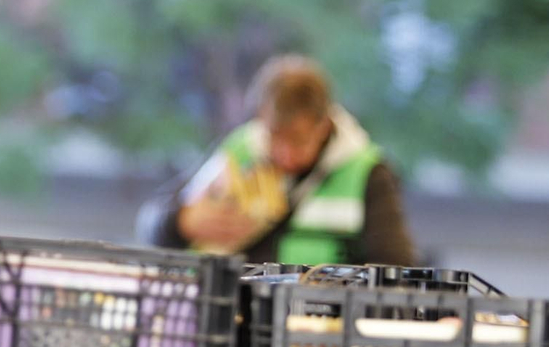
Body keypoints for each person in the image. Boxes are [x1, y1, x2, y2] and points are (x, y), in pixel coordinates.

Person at [143, 55, 416, 265]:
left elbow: (395, 265)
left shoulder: (366, 171)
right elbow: (152, 224)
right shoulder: (240, 150)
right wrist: (181, 222)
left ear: (323, 126)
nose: (284, 154)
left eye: (298, 141)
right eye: (274, 137)